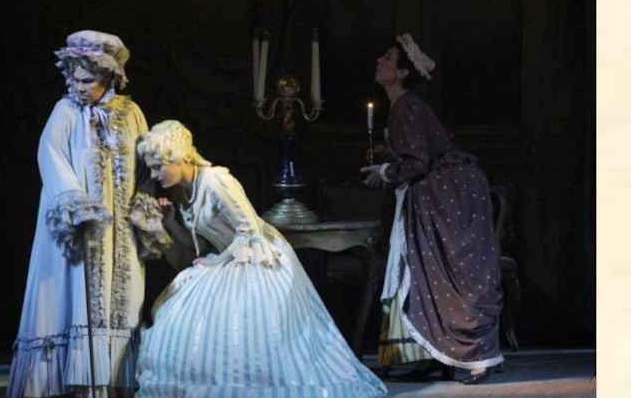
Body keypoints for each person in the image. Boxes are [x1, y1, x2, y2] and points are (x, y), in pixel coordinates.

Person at [134, 120, 388, 398]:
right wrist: (171, 221)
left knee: (250, 329)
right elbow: (198, 244)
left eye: (157, 166)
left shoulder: (217, 181)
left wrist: (216, 263)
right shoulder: (181, 191)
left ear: (179, 158)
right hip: (225, 258)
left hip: (257, 257)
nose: (154, 175)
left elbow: (251, 232)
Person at [7, 30, 170, 398]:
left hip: (120, 230)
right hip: (80, 228)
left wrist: (144, 201)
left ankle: (113, 379)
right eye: (76, 79)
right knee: (74, 295)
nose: (79, 87)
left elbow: (146, 165)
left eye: (88, 81)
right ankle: (74, 379)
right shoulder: (65, 112)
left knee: (124, 300)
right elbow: (51, 157)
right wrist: (78, 207)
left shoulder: (131, 114)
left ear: (108, 77)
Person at [360, 34, 504, 385]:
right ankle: (427, 356)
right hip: (445, 189)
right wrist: (389, 162)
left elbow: (417, 162)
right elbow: (419, 154)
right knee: (425, 271)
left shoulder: (405, 107)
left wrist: (386, 171)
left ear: (402, 73)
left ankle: (477, 359)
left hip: (445, 192)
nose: (379, 61)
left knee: (451, 271)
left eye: (388, 58)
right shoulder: (405, 107)